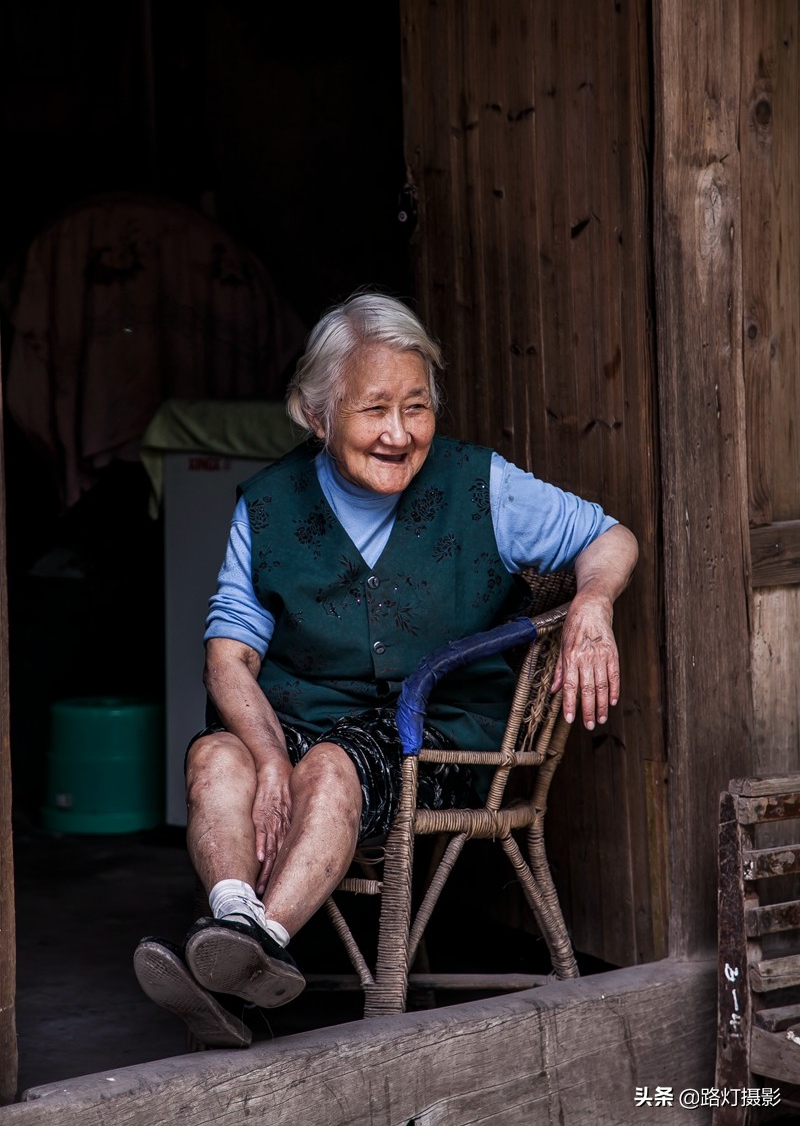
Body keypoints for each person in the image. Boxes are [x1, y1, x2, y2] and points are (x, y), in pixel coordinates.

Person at [134, 291, 638, 1047]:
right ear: (317, 415)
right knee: (216, 758)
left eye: (416, 407)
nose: (399, 433)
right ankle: (239, 939)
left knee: (332, 766)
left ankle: (245, 955)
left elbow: (610, 537)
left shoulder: (481, 485)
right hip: (299, 721)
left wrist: (592, 604)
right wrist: (268, 757)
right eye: (375, 410)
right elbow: (228, 658)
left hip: (436, 736)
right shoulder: (267, 506)